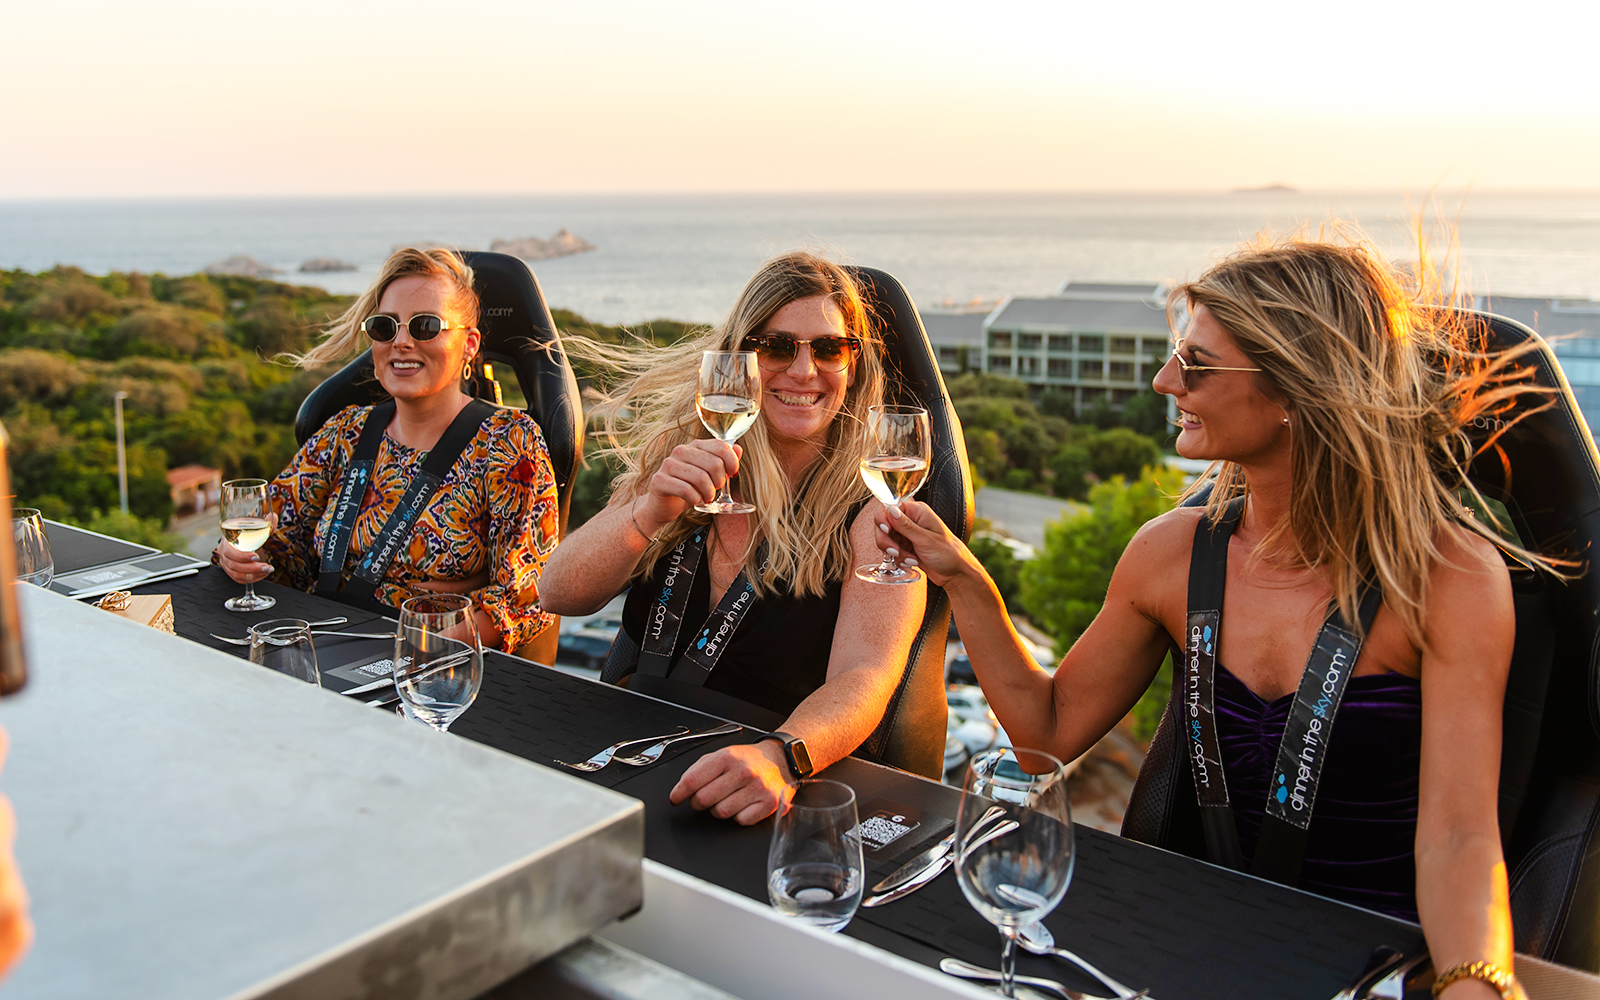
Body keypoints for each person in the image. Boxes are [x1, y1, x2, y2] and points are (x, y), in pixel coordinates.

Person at [878, 238, 1540, 998]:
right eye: (1174, 354)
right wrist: (965, 578)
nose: (1165, 381)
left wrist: (1476, 983)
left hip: (1370, 965)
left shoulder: (1448, 579)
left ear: (1297, 388)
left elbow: (1461, 838)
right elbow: (1046, 733)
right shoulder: (1169, 555)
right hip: (1192, 942)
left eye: (1196, 364)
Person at [541, 252, 926, 826]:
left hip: (767, 781)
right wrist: (649, 512)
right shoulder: (683, 464)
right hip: (635, 748)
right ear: (740, 357)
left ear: (853, 366)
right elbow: (558, 594)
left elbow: (866, 675)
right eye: (776, 347)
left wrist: (783, 756)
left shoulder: (873, 509)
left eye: (828, 348)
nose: (803, 371)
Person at [215, 247, 559, 652]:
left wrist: (430, 648)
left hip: (428, 662)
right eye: (385, 327)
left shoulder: (507, 443)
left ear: (469, 344)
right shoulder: (345, 431)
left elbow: (528, 598)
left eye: (425, 326)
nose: (401, 342)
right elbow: (282, 541)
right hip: (317, 644)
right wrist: (239, 558)